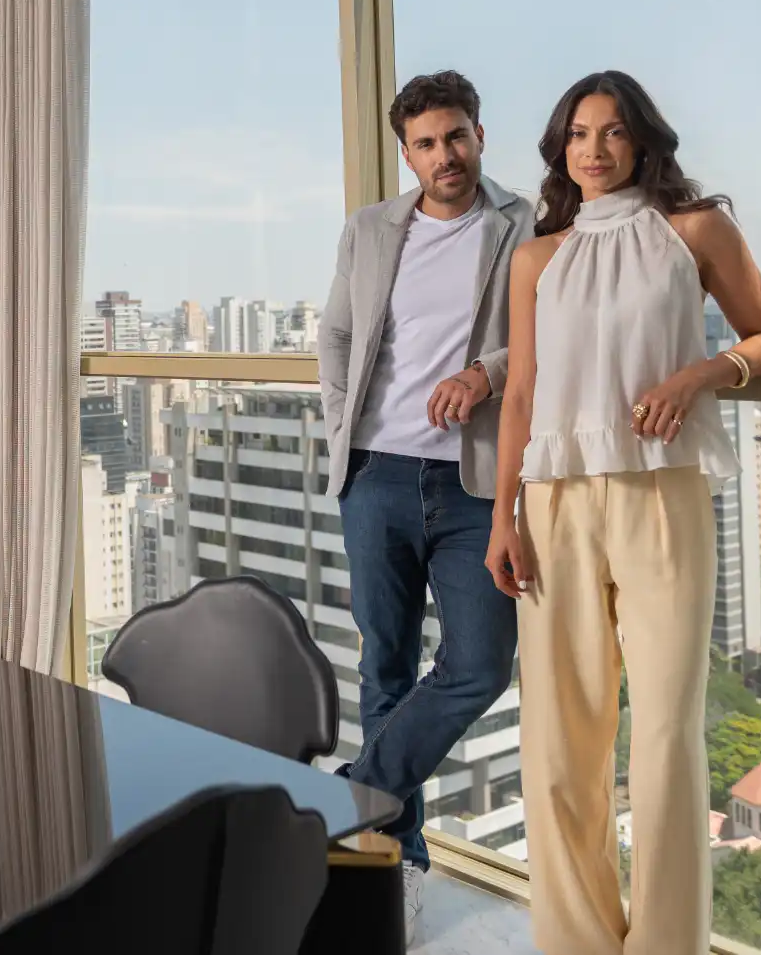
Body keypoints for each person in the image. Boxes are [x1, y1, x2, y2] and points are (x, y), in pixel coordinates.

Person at [486, 71, 761, 955]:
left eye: (612, 132)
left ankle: (665, 945)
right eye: (578, 133)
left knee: (663, 737)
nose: (593, 149)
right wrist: (504, 517)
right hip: (555, 504)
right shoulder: (538, 256)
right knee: (557, 741)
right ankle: (577, 942)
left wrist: (702, 374)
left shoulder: (694, 230)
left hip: (664, 491)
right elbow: (522, 399)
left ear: (643, 141)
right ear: (559, 148)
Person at [318, 70, 534, 937]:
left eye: (456, 136)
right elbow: (337, 331)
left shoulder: (523, 224)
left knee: (479, 664)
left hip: (475, 482)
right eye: (426, 143)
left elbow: (554, 330)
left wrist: (488, 372)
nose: (444, 155)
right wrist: (346, 429)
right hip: (376, 474)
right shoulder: (371, 229)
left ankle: (348, 798)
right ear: (406, 152)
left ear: (480, 134)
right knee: (386, 666)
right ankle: (395, 861)